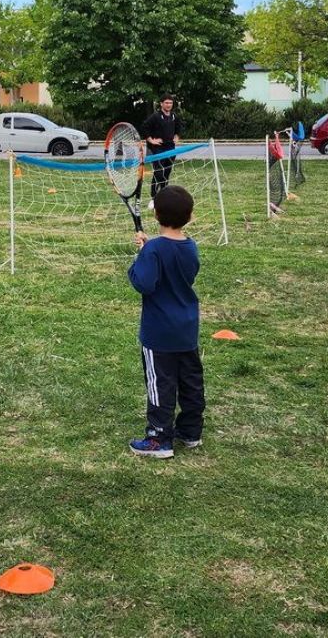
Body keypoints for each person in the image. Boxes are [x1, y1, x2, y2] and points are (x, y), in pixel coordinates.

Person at [127, 185, 204, 458]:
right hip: (187, 329)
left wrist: (141, 257)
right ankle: (191, 431)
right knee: (190, 380)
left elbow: (144, 283)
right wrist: (150, 250)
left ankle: (159, 438)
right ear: (191, 216)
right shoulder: (189, 246)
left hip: (159, 333)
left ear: (157, 216)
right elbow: (181, 269)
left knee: (160, 383)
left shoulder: (154, 250)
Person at [142, 94, 183, 209]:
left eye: (170, 103)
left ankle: (164, 197)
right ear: (161, 104)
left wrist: (177, 137)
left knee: (167, 173)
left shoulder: (174, 116)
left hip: (170, 149)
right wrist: (151, 140)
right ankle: (154, 199)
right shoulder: (155, 116)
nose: (168, 105)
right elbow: (145, 127)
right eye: (166, 103)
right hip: (158, 149)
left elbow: (179, 128)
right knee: (158, 173)